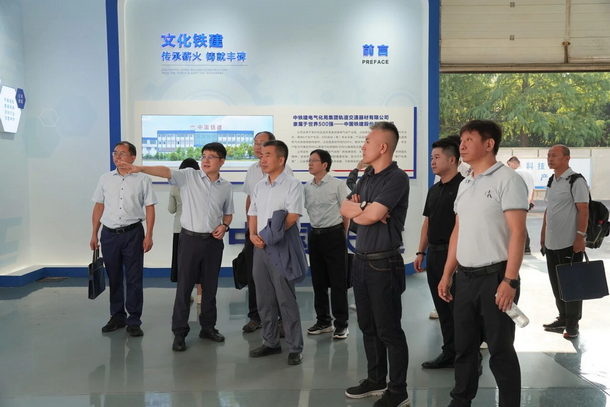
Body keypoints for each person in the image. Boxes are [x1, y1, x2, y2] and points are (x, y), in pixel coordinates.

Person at [438, 120, 528, 407]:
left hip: (496, 278)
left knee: (500, 350)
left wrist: (510, 280)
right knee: (464, 347)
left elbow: (518, 232)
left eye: (469, 139)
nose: (462, 145)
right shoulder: (465, 183)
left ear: (489, 144)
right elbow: (458, 230)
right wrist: (447, 273)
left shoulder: (508, 179)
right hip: (465, 279)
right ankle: (460, 400)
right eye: (461, 140)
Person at [117, 142, 234, 351]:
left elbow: (228, 213)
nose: (205, 160)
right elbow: (165, 171)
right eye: (203, 156)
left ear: (222, 161)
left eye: (211, 157)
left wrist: (225, 226)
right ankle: (179, 332)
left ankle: (208, 327)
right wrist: (140, 168)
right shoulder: (189, 176)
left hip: (213, 243)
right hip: (189, 240)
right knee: (184, 288)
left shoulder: (225, 187)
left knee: (210, 287)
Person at [341, 122, 410, 407]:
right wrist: (366, 209)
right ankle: (376, 379)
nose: (363, 145)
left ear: (383, 147)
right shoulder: (366, 176)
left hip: (384, 263)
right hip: (361, 261)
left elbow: (367, 215)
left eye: (367, 141)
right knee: (367, 326)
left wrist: (366, 211)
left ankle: (398, 391)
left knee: (389, 330)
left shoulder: (397, 178)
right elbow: (346, 209)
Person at [90, 141, 157, 337]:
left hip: (133, 234)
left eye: (122, 153)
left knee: (134, 278)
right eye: (115, 153)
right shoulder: (105, 179)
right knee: (114, 277)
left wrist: (149, 234)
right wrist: (94, 233)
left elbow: (150, 208)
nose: (117, 157)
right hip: (109, 235)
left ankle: (134, 320)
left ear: (133, 157)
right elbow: (98, 207)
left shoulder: (143, 179)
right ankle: (117, 316)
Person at [247, 140, 306, 366]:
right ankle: (270, 342)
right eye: (262, 155)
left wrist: (269, 236)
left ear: (281, 159)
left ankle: (295, 347)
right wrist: (253, 235)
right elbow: (253, 212)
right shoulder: (259, 185)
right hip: (260, 247)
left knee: (285, 299)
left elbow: (292, 216)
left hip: (281, 245)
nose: (262, 159)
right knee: (264, 298)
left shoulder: (293, 184)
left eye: (268, 155)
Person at [414, 137, 463, 369]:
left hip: (456, 256)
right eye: (431, 157)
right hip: (434, 254)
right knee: (442, 307)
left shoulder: (464, 187)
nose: (432, 162)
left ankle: (468, 356)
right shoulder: (434, 190)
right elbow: (428, 222)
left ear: (452, 160)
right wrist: (420, 251)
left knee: (459, 309)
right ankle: (449, 352)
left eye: (437, 157)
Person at [242, 131, 293, 333]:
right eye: (255, 143)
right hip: (255, 232)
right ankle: (255, 317)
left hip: (277, 236)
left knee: (279, 280)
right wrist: (251, 230)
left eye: (262, 144)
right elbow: (250, 201)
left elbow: (290, 209)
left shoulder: (286, 172)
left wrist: (272, 233)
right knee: (255, 277)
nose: (257, 147)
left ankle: (281, 320)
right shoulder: (252, 170)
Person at [541, 145, 589, 339]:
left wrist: (580, 237)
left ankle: (573, 325)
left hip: (569, 243)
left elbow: (583, 210)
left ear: (567, 158)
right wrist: (543, 234)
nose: (550, 158)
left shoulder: (576, 180)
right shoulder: (552, 180)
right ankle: (562, 318)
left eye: (554, 155)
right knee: (556, 284)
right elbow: (549, 209)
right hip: (552, 243)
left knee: (572, 285)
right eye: (548, 155)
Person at [304, 149, 350, 340]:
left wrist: (342, 234)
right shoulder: (307, 188)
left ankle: (341, 324)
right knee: (318, 281)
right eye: (309, 160)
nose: (310, 163)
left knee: (338, 282)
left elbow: (346, 212)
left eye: (314, 160)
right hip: (315, 235)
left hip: (334, 235)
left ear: (324, 164)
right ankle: (323, 321)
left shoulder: (337, 184)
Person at [168, 158, 202, 303]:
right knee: (199, 263)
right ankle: (200, 295)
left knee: (181, 264)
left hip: (179, 229)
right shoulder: (201, 185)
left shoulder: (175, 186)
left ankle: (184, 296)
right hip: (197, 230)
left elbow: (171, 209)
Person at [507, 156, 535, 254]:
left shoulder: (516, 173)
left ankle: (524, 247)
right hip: (527, 202)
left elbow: (513, 189)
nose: (509, 167)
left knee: (517, 226)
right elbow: (533, 189)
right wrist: (531, 200)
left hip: (518, 202)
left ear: (514, 162)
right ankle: (526, 247)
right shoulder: (529, 173)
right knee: (521, 224)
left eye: (509, 164)